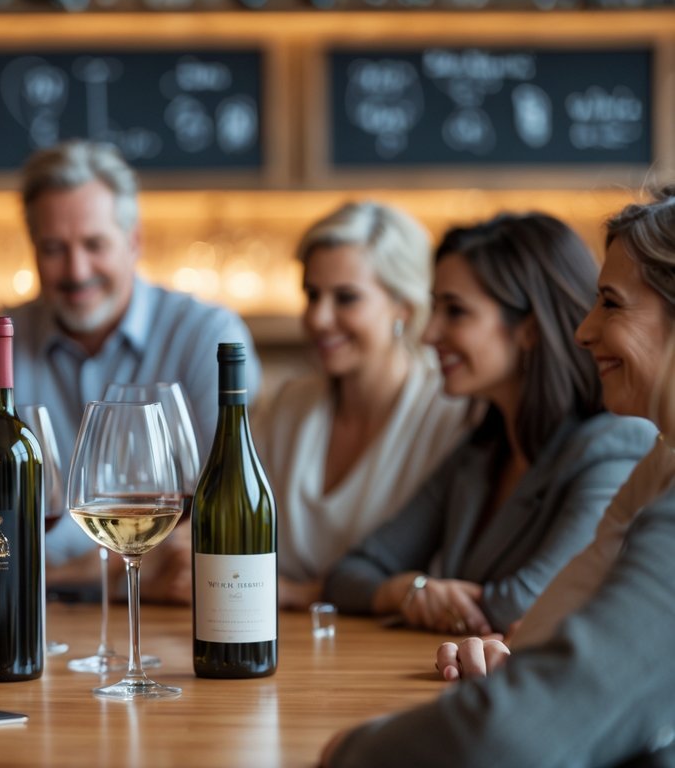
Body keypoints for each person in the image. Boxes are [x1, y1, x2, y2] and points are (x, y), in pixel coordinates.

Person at [322, 212, 653, 635]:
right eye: (434, 308)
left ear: (529, 329)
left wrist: (430, 596)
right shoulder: (482, 450)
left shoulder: (612, 446)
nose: (428, 334)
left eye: (455, 311)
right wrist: (408, 590)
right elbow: (349, 573)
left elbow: (529, 603)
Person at [435, 185, 675, 680]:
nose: (583, 331)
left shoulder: (621, 450)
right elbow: (565, 611)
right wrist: (517, 664)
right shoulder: (659, 461)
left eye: (611, 303)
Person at [8, 139, 261, 597]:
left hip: (175, 631)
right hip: (45, 627)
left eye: (94, 244)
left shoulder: (209, 336)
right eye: (53, 248)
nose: (76, 269)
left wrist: (48, 569)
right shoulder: (3, 341)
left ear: (134, 241)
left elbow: (213, 519)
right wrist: (104, 572)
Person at [254, 201, 474, 609]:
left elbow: (447, 575)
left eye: (346, 298)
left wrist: (298, 594)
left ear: (404, 308)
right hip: (279, 647)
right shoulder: (286, 407)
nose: (319, 318)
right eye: (312, 294)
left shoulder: (451, 413)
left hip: (397, 655)